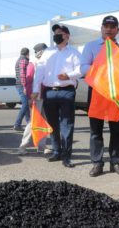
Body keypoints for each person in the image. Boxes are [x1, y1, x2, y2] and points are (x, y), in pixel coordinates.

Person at [31, 24, 83, 168]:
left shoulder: (74, 53)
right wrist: (35, 90)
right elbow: (39, 71)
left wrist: (69, 76)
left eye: (59, 32)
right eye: (55, 32)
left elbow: (80, 70)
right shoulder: (47, 52)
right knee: (53, 123)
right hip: (49, 92)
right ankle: (56, 151)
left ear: (66, 36)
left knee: (67, 124)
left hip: (67, 91)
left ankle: (66, 156)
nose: (56, 34)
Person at [80, 15, 119, 177]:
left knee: (116, 131)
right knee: (96, 131)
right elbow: (83, 67)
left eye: (112, 27)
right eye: (105, 26)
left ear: (117, 30)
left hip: (115, 95)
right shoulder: (92, 46)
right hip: (97, 93)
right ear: (101, 28)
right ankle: (97, 163)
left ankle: (115, 162)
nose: (108, 29)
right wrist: (101, 69)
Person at [18, 43, 52, 155]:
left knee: (44, 121)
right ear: (41, 52)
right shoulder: (32, 65)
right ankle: (23, 146)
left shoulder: (47, 63)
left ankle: (42, 146)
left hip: (46, 97)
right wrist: (29, 97)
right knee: (33, 122)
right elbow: (28, 83)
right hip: (35, 98)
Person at [13, 48, 31, 131]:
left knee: (26, 105)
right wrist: (24, 86)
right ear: (28, 53)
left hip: (20, 85)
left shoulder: (20, 60)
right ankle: (17, 124)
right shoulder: (23, 60)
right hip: (22, 86)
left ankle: (29, 123)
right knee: (25, 105)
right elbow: (23, 75)